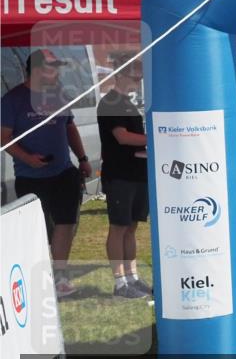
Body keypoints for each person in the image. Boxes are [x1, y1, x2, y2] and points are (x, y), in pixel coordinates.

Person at [0, 49, 92, 298]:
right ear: (39, 70)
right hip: (31, 177)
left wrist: (82, 159)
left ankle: (60, 277)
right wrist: (28, 158)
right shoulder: (12, 99)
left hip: (63, 172)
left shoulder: (58, 95)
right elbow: (4, 138)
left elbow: (69, 127)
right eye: (53, 67)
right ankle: (36, 278)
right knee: (37, 228)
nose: (58, 72)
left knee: (66, 222)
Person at [97, 57, 152, 299]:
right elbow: (122, 136)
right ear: (120, 75)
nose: (138, 82)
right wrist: (155, 138)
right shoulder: (110, 102)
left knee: (131, 227)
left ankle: (132, 277)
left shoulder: (127, 103)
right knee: (118, 227)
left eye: (139, 78)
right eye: (135, 78)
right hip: (120, 175)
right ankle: (120, 283)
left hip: (137, 172)